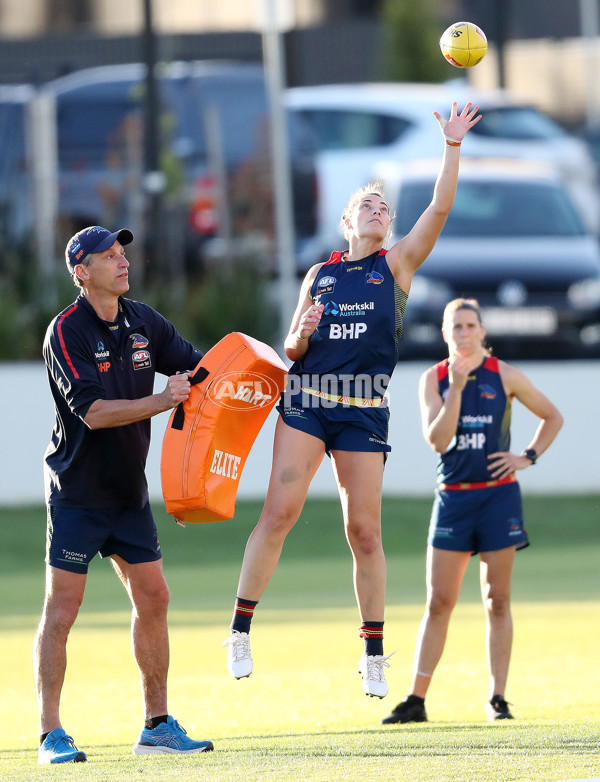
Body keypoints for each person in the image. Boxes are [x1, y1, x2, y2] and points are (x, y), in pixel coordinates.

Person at [222, 102, 483, 699]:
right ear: (347, 219)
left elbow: (439, 210)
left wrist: (451, 147)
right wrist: (303, 333)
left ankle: (372, 651)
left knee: (364, 531)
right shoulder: (321, 275)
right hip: (309, 401)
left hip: (364, 407)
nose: (380, 211)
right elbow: (291, 347)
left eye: (385, 208)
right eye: (369, 205)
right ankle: (240, 628)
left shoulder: (395, 266)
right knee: (279, 513)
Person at [34, 226, 214, 763]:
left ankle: (156, 726)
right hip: (77, 494)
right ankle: (49, 735)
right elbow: (92, 413)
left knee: (154, 598)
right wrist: (164, 400)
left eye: (122, 253)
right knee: (62, 609)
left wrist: (267, 373)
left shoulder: (144, 322)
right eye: (108, 256)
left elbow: (200, 370)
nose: (122, 261)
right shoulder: (65, 331)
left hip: (128, 495)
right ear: (81, 273)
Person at [381, 298, 563, 724]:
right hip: (453, 498)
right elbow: (438, 441)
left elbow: (552, 416)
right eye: (455, 327)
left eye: (470, 326)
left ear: (482, 331)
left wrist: (527, 456)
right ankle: (416, 700)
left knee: (497, 600)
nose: (463, 333)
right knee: (439, 600)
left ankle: (497, 699)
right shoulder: (435, 379)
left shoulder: (505, 376)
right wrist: (458, 390)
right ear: (445, 334)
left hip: (498, 496)